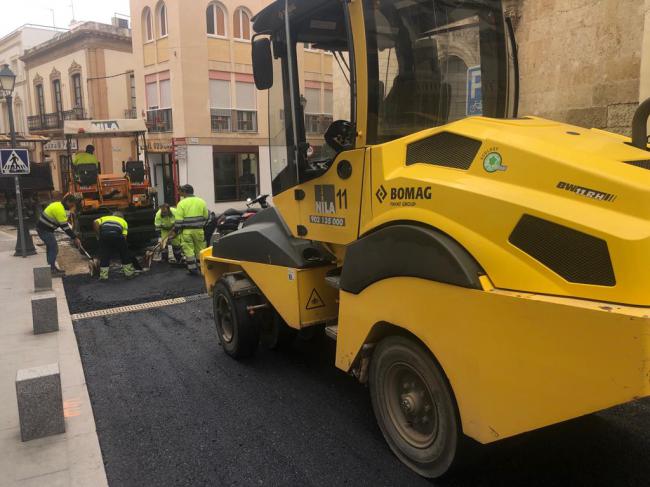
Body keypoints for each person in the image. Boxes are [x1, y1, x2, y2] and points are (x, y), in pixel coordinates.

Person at [36, 193, 81, 277]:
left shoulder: (59, 205)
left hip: (44, 229)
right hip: (44, 230)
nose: (73, 206)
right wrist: (75, 238)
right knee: (54, 248)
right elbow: (65, 227)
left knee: (50, 248)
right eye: (72, 204)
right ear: (68, 202)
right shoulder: (60, 210)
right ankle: (51, 270)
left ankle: (51, 268)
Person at [175, 184, 208, 275]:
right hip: (199, 230)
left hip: (187, 231)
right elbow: (206, 216)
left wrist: (175, 231)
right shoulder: (201, 201)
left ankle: (193, 270)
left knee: (188, 250)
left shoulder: (181, 203)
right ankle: (202, 269)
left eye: (181, 191)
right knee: (200, 250)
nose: (179, 193)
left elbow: (178, 221)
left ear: (185, 192)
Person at [93, 211, 136, 281]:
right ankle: (129, 274)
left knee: (104, 255)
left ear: (112, 216)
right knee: (124, 254)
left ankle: (103, 277)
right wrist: (120, 247)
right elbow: (124, 237)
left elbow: (95, 222)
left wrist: (99, 236)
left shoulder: (105, 218)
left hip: (104, 236)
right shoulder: (123, 221)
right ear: (122, 217)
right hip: (118, 236)